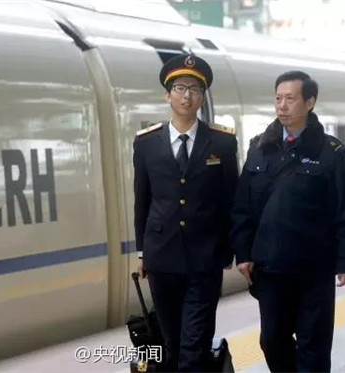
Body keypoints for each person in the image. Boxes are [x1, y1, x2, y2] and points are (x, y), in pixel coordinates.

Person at [231, 70, 345, 372]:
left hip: (313, 270)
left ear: (309, 102)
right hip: (269, 269)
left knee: (313, 346)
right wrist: (243, 254)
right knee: (271, 339)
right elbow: (242, 207)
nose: (282, 105)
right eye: (278, 99)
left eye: (290, 99)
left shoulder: (332, 154)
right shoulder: (258, 148)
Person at [133, 54, 238, 372]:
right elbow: (142, 200)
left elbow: (231, 200)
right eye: (180, 87)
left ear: (202, 96)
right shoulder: (146, 143)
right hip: (161, 258)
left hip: (206, 258)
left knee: (194, 345)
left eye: (194, 88)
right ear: (168, 95)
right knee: (172, 345)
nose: (187, 95)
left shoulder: (222, 142)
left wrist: (233, 249)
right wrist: (142, 251)